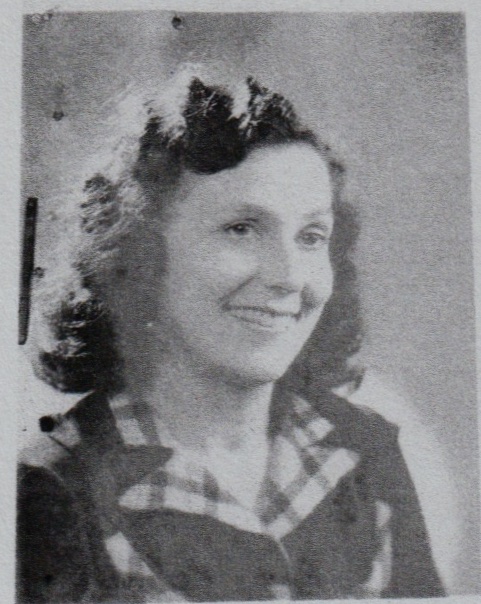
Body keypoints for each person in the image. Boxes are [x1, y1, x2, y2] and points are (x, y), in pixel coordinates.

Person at [17, 71, 444, 602]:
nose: (290, 277)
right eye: (241, 229)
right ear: (139, 256)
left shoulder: (365, 447)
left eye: (312, 237)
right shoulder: (54, 485)